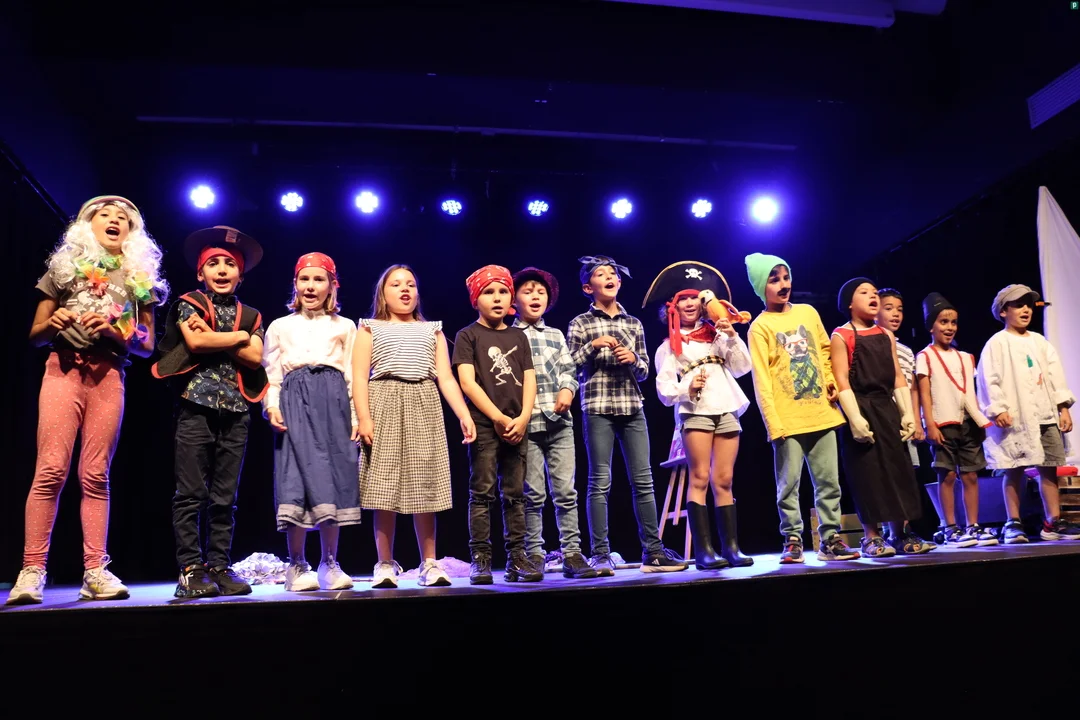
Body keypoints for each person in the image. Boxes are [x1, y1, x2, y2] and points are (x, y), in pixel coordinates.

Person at [7, 196, 168, 605]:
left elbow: (147, 345)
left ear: (131, 232)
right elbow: (35, 334)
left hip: (108, 375)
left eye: (123, 218)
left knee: (96, 474)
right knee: (50, 470)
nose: (114, 220)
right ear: (87, 226)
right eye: (105, 215)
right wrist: (53, 322)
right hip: (62, 370)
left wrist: (116, 332)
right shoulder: (64, 268)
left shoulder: (138, 277)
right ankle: (32, 570)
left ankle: (95, 570)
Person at [152, 226, 268, 598]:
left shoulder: (251, 316)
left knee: (225, 497)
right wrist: (237, 338)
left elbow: (255, 357)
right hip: (195, 407)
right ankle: (191, 568)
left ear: (240, 275)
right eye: (213, 263)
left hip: (236, 410)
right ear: (200, 272)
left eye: (229, 264)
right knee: (190, 493)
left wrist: (230, 336)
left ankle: (219, 565)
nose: (221, 269)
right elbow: (196, 341)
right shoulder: (189, 303)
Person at [354, 264, 476, 588]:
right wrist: (363, 417)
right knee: (383, 487)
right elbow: (359, 377)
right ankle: (384, 563)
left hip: (423, 403)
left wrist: (463, 414)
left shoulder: (431, 330)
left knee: (426, 484)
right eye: (396, 284)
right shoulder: (369, 327)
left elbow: (445, 377)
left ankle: (429, 562)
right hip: (384, 401)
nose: (405, 289)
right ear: (383, 293)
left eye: (410, 284)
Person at [567, 255, 688, 574]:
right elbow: (569, 364)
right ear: (588, 287)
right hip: (597, 407)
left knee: (643, 480)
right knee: (599, 482)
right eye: (601, 274)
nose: (609, 277)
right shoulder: (580, 323)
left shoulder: (633, 323)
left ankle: (653, 552)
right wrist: (594, 345)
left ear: (619, 283)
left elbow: (645, 370)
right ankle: (600, 554)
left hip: (632, 406)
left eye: (613, 274)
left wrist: (633, 359)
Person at [744, 253, 859, 563]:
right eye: (774, 280)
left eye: (786, 277)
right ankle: (793, 539)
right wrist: (773, 422)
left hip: (821, 413)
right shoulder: (760, 327)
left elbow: (824, 350)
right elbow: (761, 379)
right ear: (761, 286)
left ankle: (830, 538)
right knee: (788, 485)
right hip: (787, 419)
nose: (783, 284)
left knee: (829, 482)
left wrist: (830, 381)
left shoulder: (808, 313)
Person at [647, 261, 755, 569]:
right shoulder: (669, 346)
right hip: (695, 411)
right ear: (673, 306)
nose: (690, 303)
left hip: (726, 405)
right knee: (700, 477)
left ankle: (731, 548)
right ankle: (705, 552)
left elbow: (742, 368)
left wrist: (732, 335)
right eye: (683, 298)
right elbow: (664, 391)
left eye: (695, 297)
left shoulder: (717, 335)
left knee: (725, 479)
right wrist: (687, 386)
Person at [263, 252, 360, 591]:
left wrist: (356, 415)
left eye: (319, 280)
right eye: (304, 279)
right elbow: (272, 374)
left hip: (333, 403)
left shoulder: (345, 326)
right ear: (295, 284)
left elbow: (353, 375)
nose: (311, 286)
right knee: (296, 478)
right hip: (295, 402)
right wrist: (271, 406)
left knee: (332, 477)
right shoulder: (280, 326)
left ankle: (329, 562)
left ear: (332, 286)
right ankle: (296, 564)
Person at [453, 265, 542, 584]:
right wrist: (498, 417)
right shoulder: (468, 335)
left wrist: (523, 417)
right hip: (486, 426)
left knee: (515, 494)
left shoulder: (519, 335)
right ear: (475, 299)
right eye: (489, 292)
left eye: (503, 291)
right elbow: (467, 382)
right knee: (482, 492)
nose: (497, 298)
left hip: (517, 425)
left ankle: (517, 557)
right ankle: (480, 558)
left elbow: (530, 379)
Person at [831, 277, 933, 557]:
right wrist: (854, 418)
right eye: (864, 292)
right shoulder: (841, 335)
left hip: (886, 408)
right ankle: (871, 537)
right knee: (868, 474)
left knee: (898, 470)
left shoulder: (885, 335)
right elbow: (841, 379)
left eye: (875, 292)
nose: (872, 296)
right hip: (861, 408)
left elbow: (898, 376)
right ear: (849, 303)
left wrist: (907, 413)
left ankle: (899, 533)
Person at [976, 284, 1080, 543]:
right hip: (1016, 418)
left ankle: (1052, 521)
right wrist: (997, 408)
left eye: (1028, 305)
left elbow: (1055, 376)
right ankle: (1013, 522)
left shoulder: (1039, 341)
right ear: (1003, 311)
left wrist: (1063, 408)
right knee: (1014, 468)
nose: (1025, 309)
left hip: (1045, 416)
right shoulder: (997, 343)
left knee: (1049, 468)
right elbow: (989, 379)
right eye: (1018, 305)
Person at [511, 266, 597, 579]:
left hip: (559, 423)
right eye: (528, 291)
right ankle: (534, 554)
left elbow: (568, 370)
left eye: (541, 292)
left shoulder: (555, 335)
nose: (535, 296)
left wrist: (567, 389)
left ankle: (572, 553)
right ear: (514, 300)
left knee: (566, 492)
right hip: (527, 425)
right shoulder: (509, 336)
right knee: (533, 494)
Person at [916, 292, 996, 547]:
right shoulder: (925, 356)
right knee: (948, 475)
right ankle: (950, 526)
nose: (949, 327)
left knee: (971, 476)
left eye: (953, 322)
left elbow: (971, 392)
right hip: (943, 423)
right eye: (943, 322)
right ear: (931, 326)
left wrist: (980, 421)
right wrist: (929, 423)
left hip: (968, 423)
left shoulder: (965, 357)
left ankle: (973, 525)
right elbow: (925, 393)